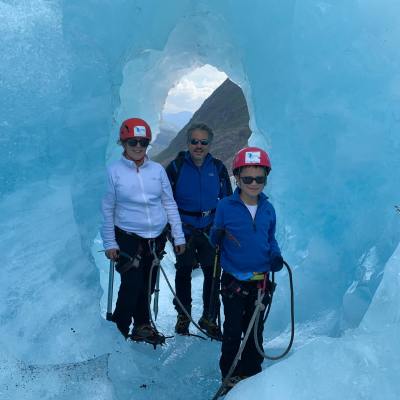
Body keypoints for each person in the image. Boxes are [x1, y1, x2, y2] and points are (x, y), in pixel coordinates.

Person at [101, 117, 185, 341]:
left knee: (147, 285)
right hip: (127, 237)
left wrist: (178, 236)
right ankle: (119, 329)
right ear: (123, 143)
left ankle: (142, 325)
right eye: (133, 142)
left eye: (143, 142)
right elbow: (107, 209)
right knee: (131, 286)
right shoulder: (114, 172)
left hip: (155, 239)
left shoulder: (157, 170)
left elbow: (169, 203)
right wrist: (109, 242)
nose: (138, 147)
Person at [209, 146, 284, 387]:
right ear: (238, 177)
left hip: (260, 282)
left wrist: (275, 255)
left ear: (265, 178)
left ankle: (251, 375)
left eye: (259, 178)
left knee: (254, 333)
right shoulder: (225, 207)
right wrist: (216, 235)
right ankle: (229, 375)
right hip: (233, 280)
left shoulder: (268, 209)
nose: (254, 183)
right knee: (231, 332)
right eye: (248, 178)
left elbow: (270, 238)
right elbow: (215, 239)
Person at [166, 123, 232, 337]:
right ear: (188, 143)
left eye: (204, 142)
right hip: (183, 227)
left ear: (209, 144)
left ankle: (209, 317)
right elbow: (165, 201)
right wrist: (170, 231)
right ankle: (183, 314)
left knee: (213, 273)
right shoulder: (176, 167)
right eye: (195, 141)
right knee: (183, 270)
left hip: (210, 227)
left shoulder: (219, 168)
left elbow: (227, 201)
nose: (199, 146)